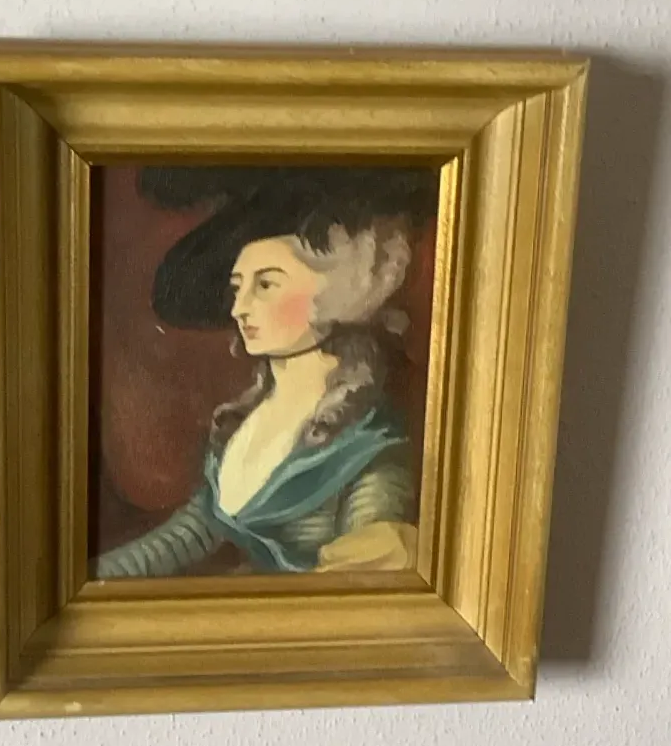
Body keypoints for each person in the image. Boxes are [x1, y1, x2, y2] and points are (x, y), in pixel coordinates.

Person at [92, 171, 435, 578]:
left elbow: (369, 565)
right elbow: (190, 535)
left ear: (337, 290)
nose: (239, 308)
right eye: (238, 287)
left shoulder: (372, 446)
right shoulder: (241, 422)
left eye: (266, 284)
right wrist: (89, 578)